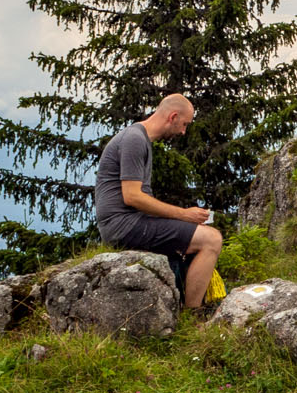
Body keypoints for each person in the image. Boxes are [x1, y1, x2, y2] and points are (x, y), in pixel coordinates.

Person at [93, 94, 223, 311]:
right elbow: (132, 196)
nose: (183, 131)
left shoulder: (138, 138)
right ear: (173, 116)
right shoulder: (135, 139)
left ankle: (184, 302)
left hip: (124, 223)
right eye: (184, 124)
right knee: (211, 239)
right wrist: (184, 215)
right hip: (123, 226)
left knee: (194, 237)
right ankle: (194, 314)